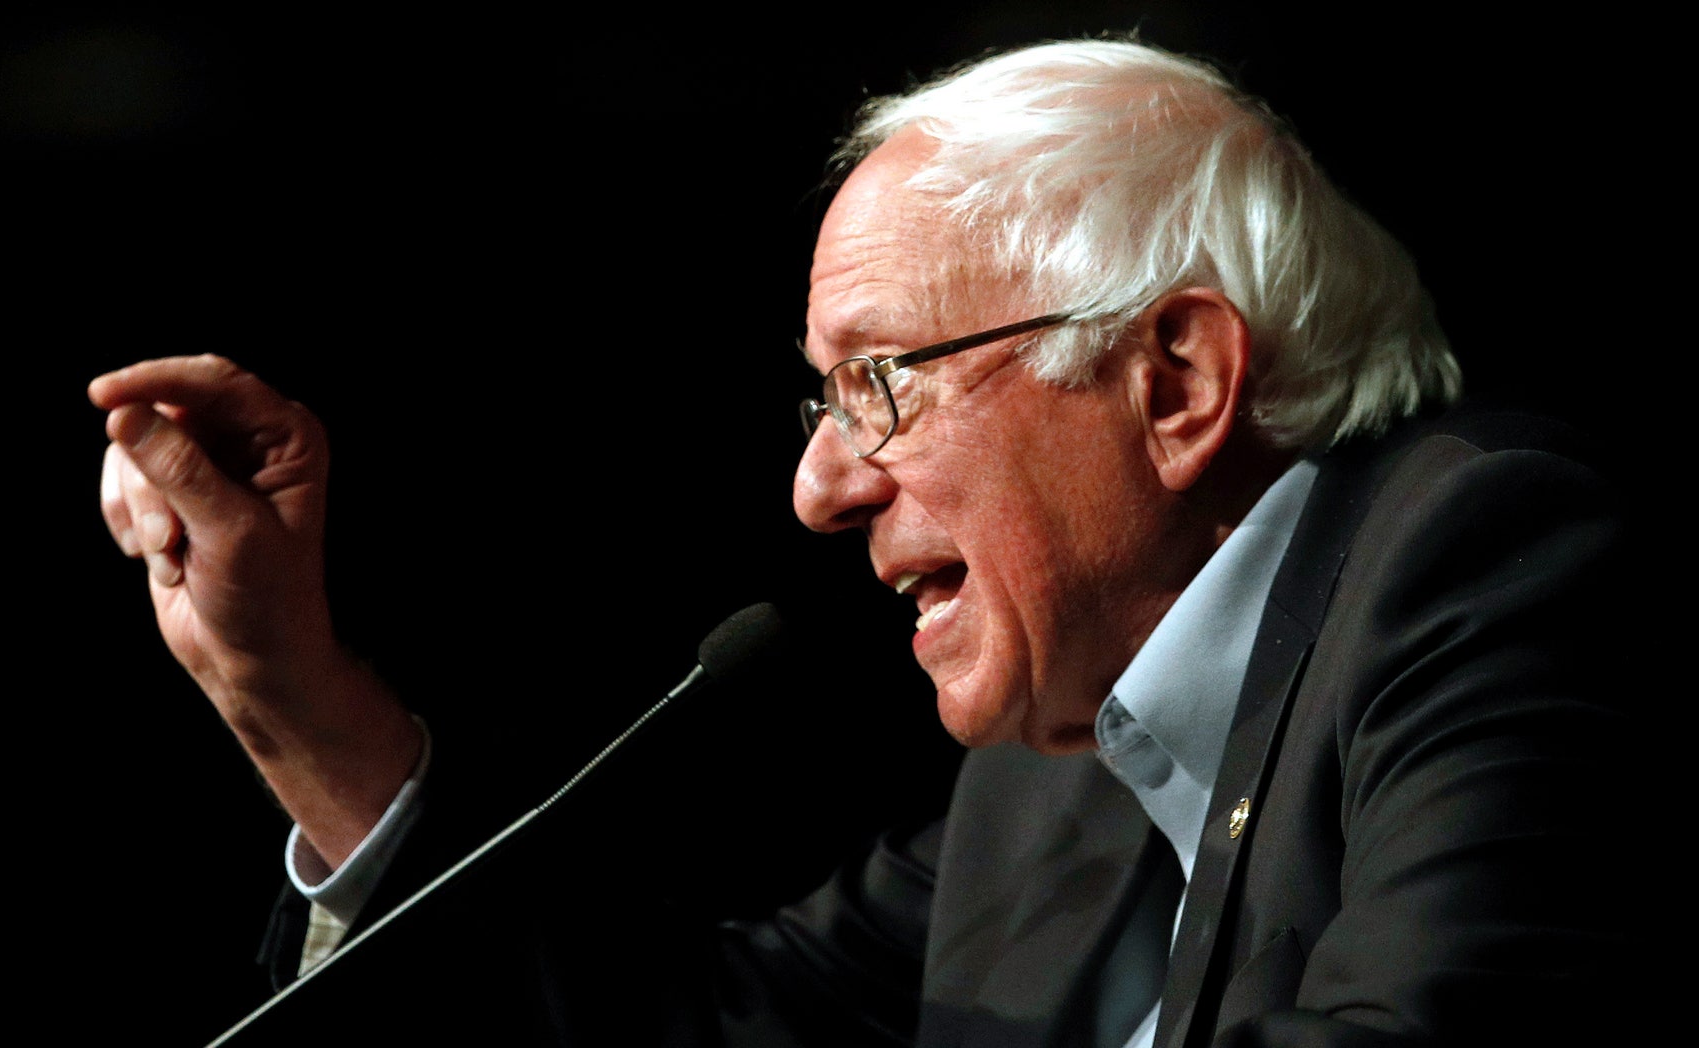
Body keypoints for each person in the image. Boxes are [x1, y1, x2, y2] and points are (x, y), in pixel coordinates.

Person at [93, 39, 1646, 1046]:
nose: (820, 486)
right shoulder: (1050, 780)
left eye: (879, 384)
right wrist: (277, 679)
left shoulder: (1479, 559)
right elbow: (695, 1038)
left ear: (1170, 380)